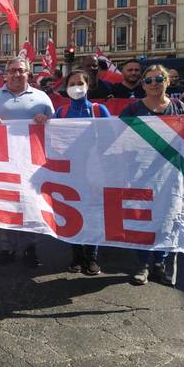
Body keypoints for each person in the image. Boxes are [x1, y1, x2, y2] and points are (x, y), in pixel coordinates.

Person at [119, 65, 184, 286]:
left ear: (167, 81)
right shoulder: (132, 109)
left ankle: (161, 261)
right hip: (140, 173)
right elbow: (116, 136)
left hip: (170, 173)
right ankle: (143, 263)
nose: (154, 83)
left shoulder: (178, 107)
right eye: (148, 80)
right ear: (143, 85)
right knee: (143, 218)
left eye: (159, 79)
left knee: (167, 216)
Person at [0, 56, 54, 267]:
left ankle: (30, 247)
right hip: (2, 162)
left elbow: (57, 128)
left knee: (31, 205)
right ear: (6, 74)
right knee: (5, 204)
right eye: (13, 71)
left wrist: (46, 120)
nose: (17, 74)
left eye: (21, 70)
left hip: (32, 162)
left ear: (28, 73)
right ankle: (7, 247)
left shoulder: (42, 98)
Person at [52, 70, 111, 275]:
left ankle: (91, 256)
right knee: (73, 213)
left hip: (94, 172)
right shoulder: (61, 113)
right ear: (66, 88)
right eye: (72, 83)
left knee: (93, 213)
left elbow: (110, 139)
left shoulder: (99, 110)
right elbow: (49, 139)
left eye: (80, 83)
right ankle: (76, 255)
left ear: (88, 86)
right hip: (70, 172)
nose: (76, 87)